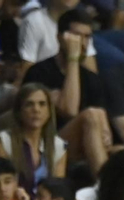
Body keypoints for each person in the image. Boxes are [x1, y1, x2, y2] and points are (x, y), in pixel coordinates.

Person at [21, 5, 113, 176]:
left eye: (87, 37)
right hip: (44, 144)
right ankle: (105, 186)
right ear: (60, 38)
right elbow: (69, 109)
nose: (82, 43)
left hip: (82, 147)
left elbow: (105, 128)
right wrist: (72, 59)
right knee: (90, 115)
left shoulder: (91, 78)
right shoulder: (39, 72)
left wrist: (105, 138)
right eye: (76, 36)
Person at [0, 84, 65, 196]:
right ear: (19, 111)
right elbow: (2, 184)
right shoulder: (4, 141)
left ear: (49, 111)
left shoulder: (58, 145)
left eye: (42, 104)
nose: (36, 109)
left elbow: (57, 191)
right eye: (29, 104)